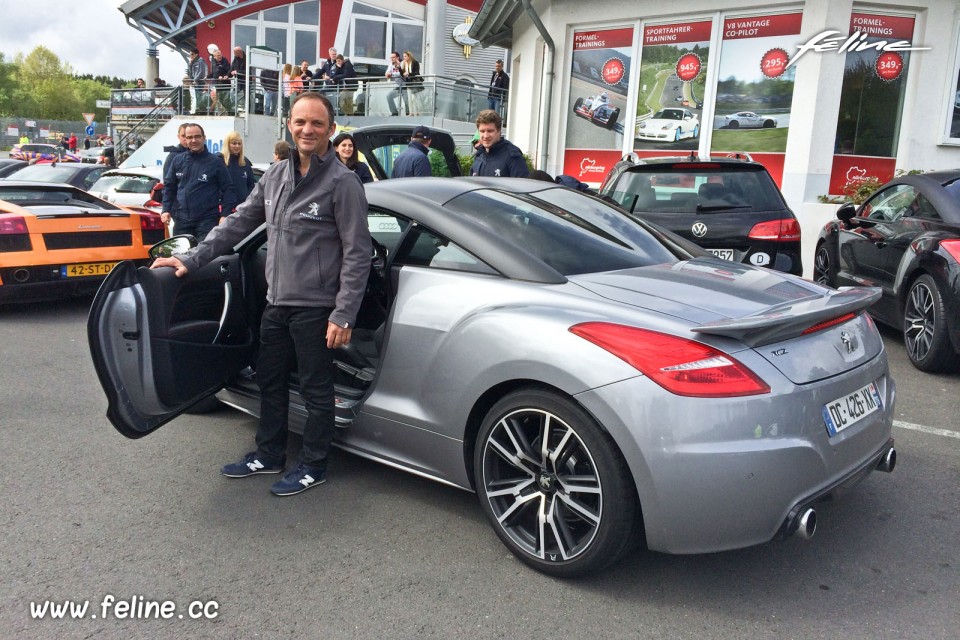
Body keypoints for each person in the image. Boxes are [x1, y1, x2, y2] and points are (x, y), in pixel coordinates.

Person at [152, 93, 372, 497]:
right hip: (277, 303)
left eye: (317, 124)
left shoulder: (343, 184)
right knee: (270, 380)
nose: (308, 130)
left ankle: (314, 464)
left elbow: (358, 253)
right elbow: (236, 225)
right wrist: (192, 259)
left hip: (316, 308)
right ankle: (269, 453)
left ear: (331, 129)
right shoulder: (273, 176)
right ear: (289, 124)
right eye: (301, 122)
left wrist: (343, 314)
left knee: (315, 388)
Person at [160, 122, 236, 242]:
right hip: (182, 221)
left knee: (203, 258)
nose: (193, 140)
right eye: (189, 137)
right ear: (185, 139)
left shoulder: (215, 163)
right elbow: (169, 187)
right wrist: (166, 210)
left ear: (204, 138)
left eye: (197, 136)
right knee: (180, 258)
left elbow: (228, 189)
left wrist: (225, 215)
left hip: (207, 222)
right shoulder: (177, 160)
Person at [470, 109, 529, 178]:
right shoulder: (479, 155)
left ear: (499, 131)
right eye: (482, 131)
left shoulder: (513, 156)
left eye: (490, 131)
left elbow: (522, 186)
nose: (486, 136)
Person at [222, 131, 256, 217]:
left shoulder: (245, 162)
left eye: (239, 144)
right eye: (234, 143)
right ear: (227, 144)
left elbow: (251, 184)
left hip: (241, 209)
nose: (237, 146)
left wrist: (246, 200)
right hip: (222, 210)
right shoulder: (219, 161)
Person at [186, 48, 208, 115]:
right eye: (190, 55)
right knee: (195, 97)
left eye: (192, 54)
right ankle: (196, 110)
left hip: (199, 82)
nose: (191, 56)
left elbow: (201, 72)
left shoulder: (200, 61)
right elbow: (190, 72)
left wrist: (196, 80)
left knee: (199, 96)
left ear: (196, 54)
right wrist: (190, 64)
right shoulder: (193, 62)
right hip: (194, 83)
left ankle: (201, 111)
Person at [208, 49, 231, 113]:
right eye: (218, 55)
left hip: (225, 84)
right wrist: (207, 76)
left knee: (226, 100)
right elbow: (214, 73)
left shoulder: (225, 61)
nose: (220, 56)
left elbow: (228, 71)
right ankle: (219, 112)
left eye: (220, 55)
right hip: (218, 85)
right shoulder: (213, 62)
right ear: (214, 56)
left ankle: (227, 112)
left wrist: (223, 76)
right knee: (218, 100)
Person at [400, 51, 422, 115]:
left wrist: (409, 73)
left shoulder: (415, 63)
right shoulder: (404, 64)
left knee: (413, 98)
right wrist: (399, 67)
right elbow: (402, 74)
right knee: (409, 99)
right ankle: (411, 112)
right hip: (408, 83)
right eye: (403, 56)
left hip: (415, 82)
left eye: (405, 56)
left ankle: (417, 112)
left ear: (409, 56)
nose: (404, 58)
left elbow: (417, 73)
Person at [385, 51, 406, 116]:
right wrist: (388, 74)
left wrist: (393, 73)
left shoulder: (403, 63)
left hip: (406, 86)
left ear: (397, 57)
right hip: (398, 86)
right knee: (389, 96)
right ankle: (394, 113)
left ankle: (408, 115)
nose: (392, 59)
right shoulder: (391, 64)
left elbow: (403, 74)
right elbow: (387, 73)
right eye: (391, 57)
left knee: (406, 101)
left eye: (393, 57)